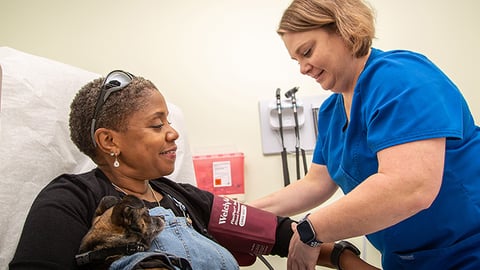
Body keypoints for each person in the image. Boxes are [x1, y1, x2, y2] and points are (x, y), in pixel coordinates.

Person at [9, 70, 378, 270]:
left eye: (168, 119)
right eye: (156, 124)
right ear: (109, 142)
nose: (173, 132)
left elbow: (279, 232)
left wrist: (345, 257)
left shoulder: (181, 197)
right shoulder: (69, 199)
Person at [249, 0, 480, 269]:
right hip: (405, 260)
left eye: (307, 52)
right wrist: (239, 214)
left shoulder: (401, 78)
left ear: (345, 31)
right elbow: (316, 184)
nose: (302, 68)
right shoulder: (331, 112)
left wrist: (310, 231)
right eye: (296, 60)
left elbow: (410, 186)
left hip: (468, 251)